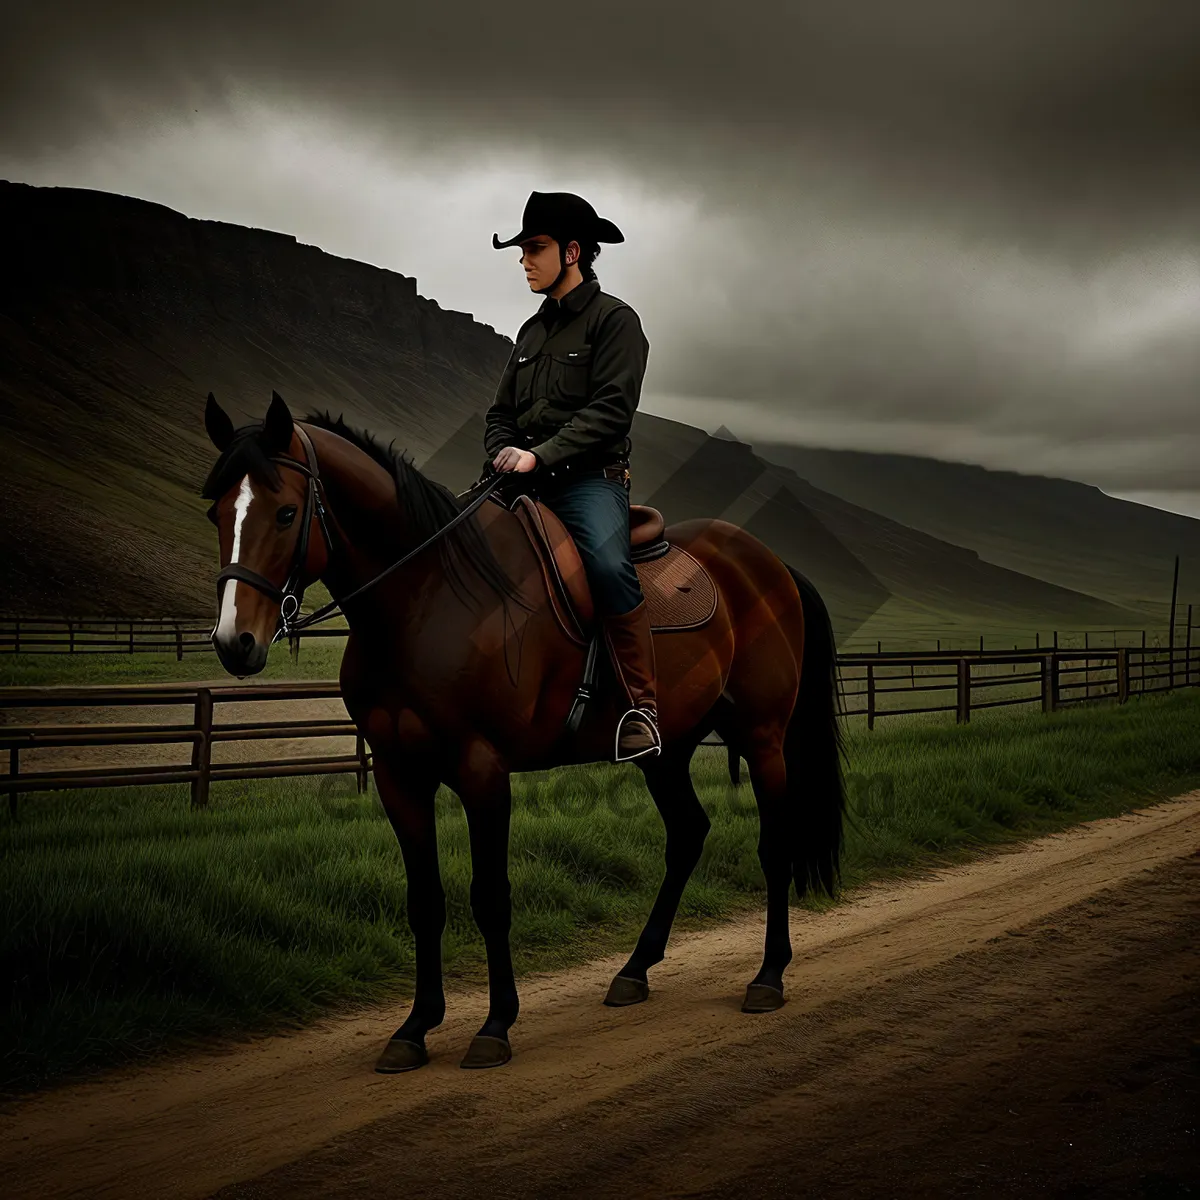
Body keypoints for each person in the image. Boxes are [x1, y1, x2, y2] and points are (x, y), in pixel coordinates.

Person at [484, 190, 660, 761]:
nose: (524, 260)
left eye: (535, 248)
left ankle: (641, 708)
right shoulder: (530, 334)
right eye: (522, 250)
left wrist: (542, 455)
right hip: (522, 481)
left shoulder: (617, 323)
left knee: (609, 566)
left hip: (590, 482)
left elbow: (611, 411)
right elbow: (500, 413)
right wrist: (503, 451)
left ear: (573, 252)